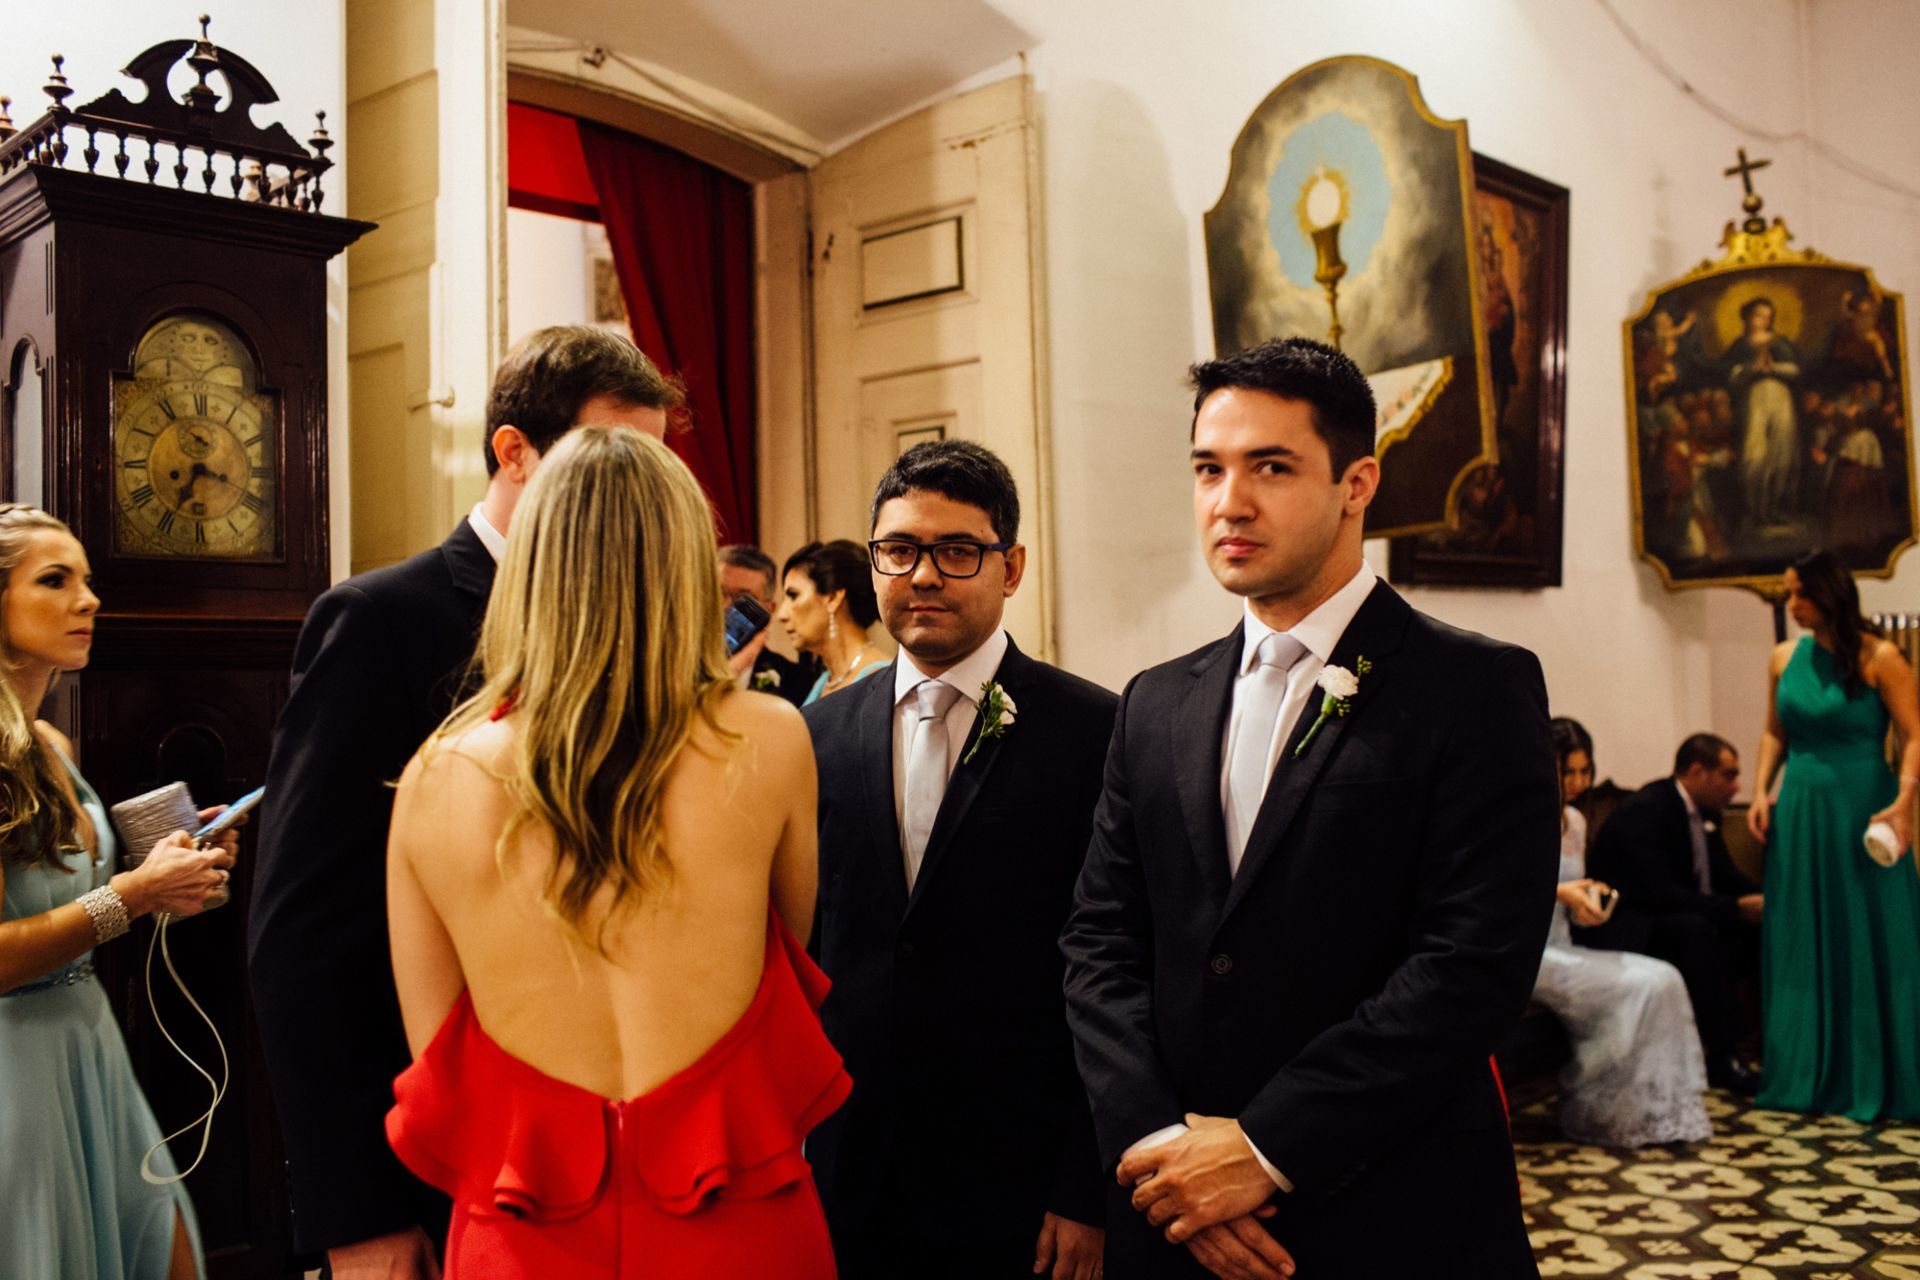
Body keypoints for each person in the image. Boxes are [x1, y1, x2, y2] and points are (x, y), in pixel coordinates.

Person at [1061, 337, 1559, 1280]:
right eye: (1208, 468)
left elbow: (1472, 965)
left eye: (1271, 467)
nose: (1228, 502)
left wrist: (1262, 1150)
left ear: (1357, 482)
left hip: (1383, 1204)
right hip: (1169, 1216)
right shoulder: (1156, 700)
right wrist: (1162, 1153)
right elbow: (1100, 940)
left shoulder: (1472, 687)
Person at [249, 327, 682, 1278]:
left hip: (636, 1164)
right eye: (604, 459)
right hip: (440, 1156)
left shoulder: (655, 632)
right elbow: (305, 936)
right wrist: (356, 1209)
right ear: (513, 451)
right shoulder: (383, 621)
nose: (632, 495)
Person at [383, 427, 848, 1278]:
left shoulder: (434, 779)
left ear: (531, 564)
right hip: (738, 1214)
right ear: (685, 566)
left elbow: (438, 1046)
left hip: (525, 1227)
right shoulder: (772, 739)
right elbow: (784, 939)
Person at [804, 441, 1113, 1280]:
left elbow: (1121, 972)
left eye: (957, 551)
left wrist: (1084, 1185)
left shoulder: (1097, 732)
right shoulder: (815, 736)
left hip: (1016, 1178)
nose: (924, 575)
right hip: (845, 1167)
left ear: (1009, 567)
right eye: (899, 551)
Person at [0, 503, 241, 1280]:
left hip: (91, 1046)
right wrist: (132, 896)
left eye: (89, 580)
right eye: (55, 580)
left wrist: (172, 872)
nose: (89, 599)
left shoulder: (49, 746)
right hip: (15, 1074)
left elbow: (73, 900)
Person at [1749, 549, 1920, 1121]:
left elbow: (1914, 734)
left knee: (1871, 935)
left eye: (1801, 593)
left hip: (1863, 803)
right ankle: (1805, 1071)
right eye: (1788, 593)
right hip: (1800, 807)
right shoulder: (1781, 658)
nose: (1792, 604)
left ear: (1831, 594)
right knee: (1803, 934)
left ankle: (1878, 1072)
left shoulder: (1883, 657)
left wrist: (1903, 799)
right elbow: (1774, 733)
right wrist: (1759, 790)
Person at [1534, 718, 1711, 1148]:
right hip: (1532, 955)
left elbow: (1572, 896)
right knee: (1638, 988)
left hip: (1566, 943)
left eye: (1584, 771)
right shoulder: (1523, 817)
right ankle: (1601, 1111)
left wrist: (1587, 904)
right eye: (1568, 771)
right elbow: (1506, 894)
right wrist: (1562, 893)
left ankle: (1655, 1111)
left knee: (1664, 978)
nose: (1577, 782)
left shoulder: (1574, 821)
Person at [1575, 734, 1761, 1094]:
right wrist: (1734, 908)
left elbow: (1723, 875)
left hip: (1670, 914)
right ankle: (1723, 1056)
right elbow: (1654, 892)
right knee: (1696, 930)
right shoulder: (1647, 810)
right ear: (1697, 772)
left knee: (1748, 931)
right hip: (1626, 923)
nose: (1736, 787)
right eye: (1729, 775)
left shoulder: (1705, 814)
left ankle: (1766, 1042)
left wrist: (1763, 900)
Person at [777, 540, 887, 705]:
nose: (781, 614)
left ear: (833, 597)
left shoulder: (879, 680)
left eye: (793, 595)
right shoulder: (824, 681)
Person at [1725, 297, 1802, 527]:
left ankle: (1775, 508)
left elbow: (1796, 369)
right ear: (1748, 317)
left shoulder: (1780, 342)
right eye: (1759, 314)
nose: (1765, 320)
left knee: (1781, 452)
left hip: (1780, 398)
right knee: (1754, 454)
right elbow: (1729, 376)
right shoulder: (1740, 345)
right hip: (1753, 399)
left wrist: (1774, 368)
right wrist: (1750, 369)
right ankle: (1754, 510)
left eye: (1768, 316)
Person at [720, 543, 814, 708]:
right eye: (718, 593)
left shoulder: (798, 682)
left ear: (769, 610)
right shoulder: (677, 668)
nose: (726, 606)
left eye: (743, 600)